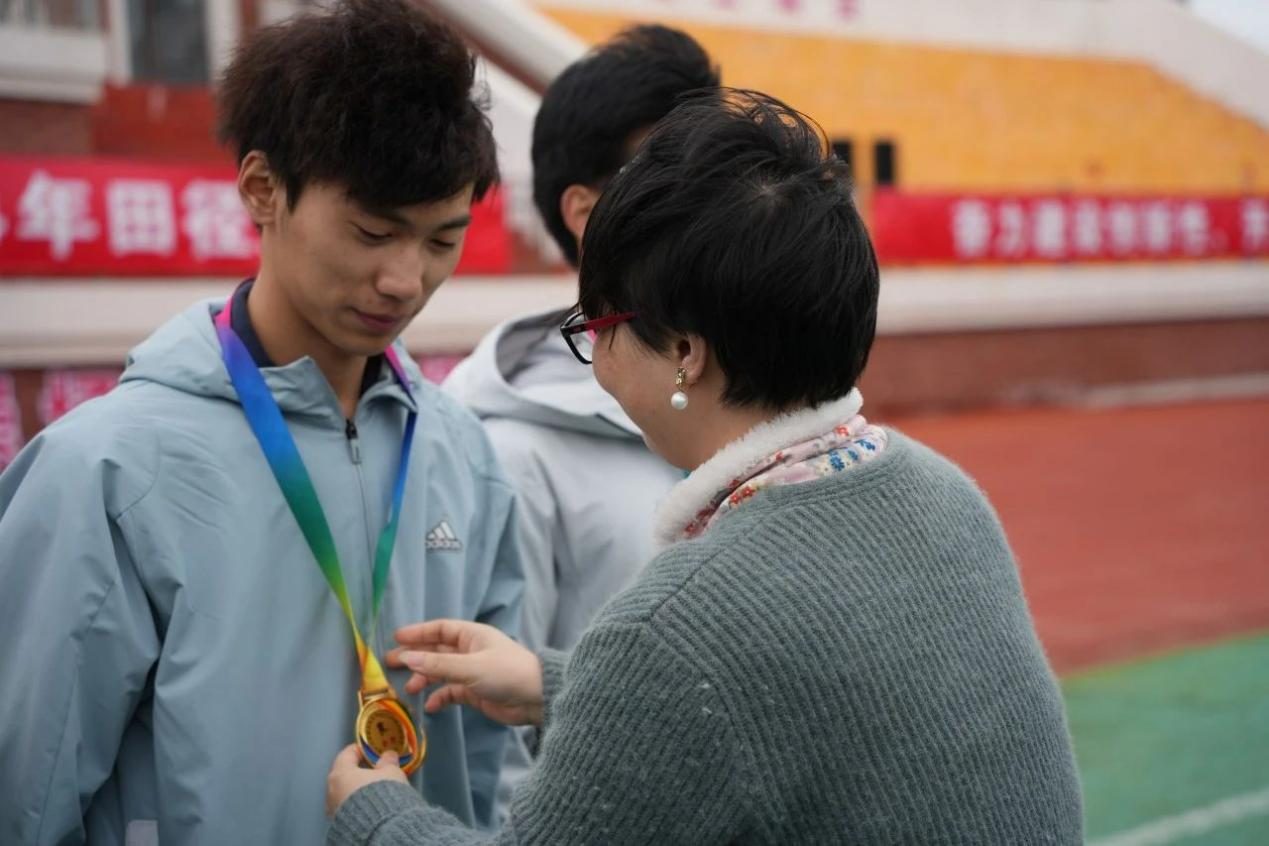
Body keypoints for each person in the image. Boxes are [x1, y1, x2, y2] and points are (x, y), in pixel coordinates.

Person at [325, 89, 1084, 844]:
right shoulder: (941, 491)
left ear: (686, 352)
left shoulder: (673, 625)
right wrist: (560, 685)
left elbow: (710, 678)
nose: (596, 353)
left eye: (598, 325)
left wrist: (378, 816)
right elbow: (803, 710)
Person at [0, 2, 522, 843]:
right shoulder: (104, 471)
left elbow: (498, 766)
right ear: (261, 189)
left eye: (441, 241)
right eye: (373, 231)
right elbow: (26, 792)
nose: (404, 279)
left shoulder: (463, 454)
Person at [444, 24, 718, 657]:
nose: (718, 205)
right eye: (675, 179)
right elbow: (504, 698)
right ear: (586, 214)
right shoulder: (511, 451)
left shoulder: (771, 383)